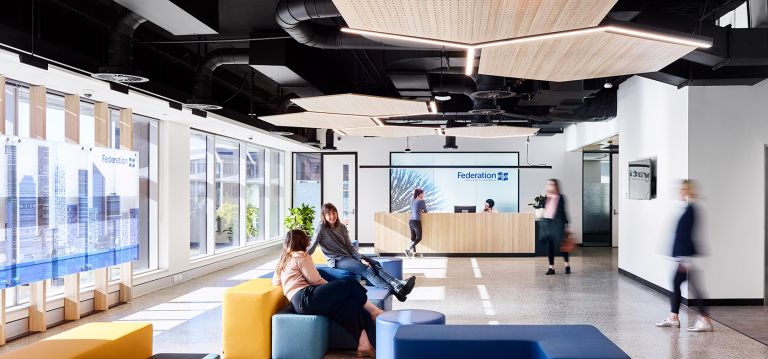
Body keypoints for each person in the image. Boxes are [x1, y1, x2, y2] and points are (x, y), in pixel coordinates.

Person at [273, 229, 381, 357]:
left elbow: (276, 282)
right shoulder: (301, 255)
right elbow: (315, 280)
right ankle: (375, 312)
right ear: (302, 242)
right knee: (349, 284)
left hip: (298, 304)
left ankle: (364, 343)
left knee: (349, 305)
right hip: (306, 297)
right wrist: (333, 289)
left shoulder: (283, 260)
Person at [309, 203, 416, 302]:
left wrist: (360, 258)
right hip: (337, 259)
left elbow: (349, 246)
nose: (332, 216)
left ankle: (398, 285)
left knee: (375, 264)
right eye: (328, 214)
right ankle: (395, 289)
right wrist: (302, 256)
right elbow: (313, 245)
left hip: (349, 255)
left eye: (334, 213)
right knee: (367, 270)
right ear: (324, 216)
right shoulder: (321, 228)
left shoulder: (341, 227)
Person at [655, 180, 713, 332]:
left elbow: (687, 234)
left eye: (683, 190)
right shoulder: (688, 208)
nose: (680, 192)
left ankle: (704, 319)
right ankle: (674, 317)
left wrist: (685, 259)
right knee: (678, 284)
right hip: (683, 256)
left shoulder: (692, 209)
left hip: (686, 257)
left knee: (694, 287)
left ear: (689, 191)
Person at [542, 179, 571, 275]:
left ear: (556, 186)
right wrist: (546, 196)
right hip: (549, 224)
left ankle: (567, 265)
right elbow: (543, 209)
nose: (549, 185)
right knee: (550, 246)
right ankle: (551, 268)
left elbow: (563, 212)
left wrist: (567, 226)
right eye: (548, 184)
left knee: (563, 246)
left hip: (558, 224)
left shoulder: (561, 197)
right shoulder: (546, 197)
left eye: (551, 184)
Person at [406, 188, 427, 257]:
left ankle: (414, 253)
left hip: (411, 221)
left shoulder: (412, 200)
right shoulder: (422, 201)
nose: (423, 195)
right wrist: (422, 211)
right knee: (419, 238)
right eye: (422, 193)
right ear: (419, 194)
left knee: (413, 237)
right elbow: (425, 211)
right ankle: (408, 249)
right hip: (416, 221)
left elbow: (414, 208)